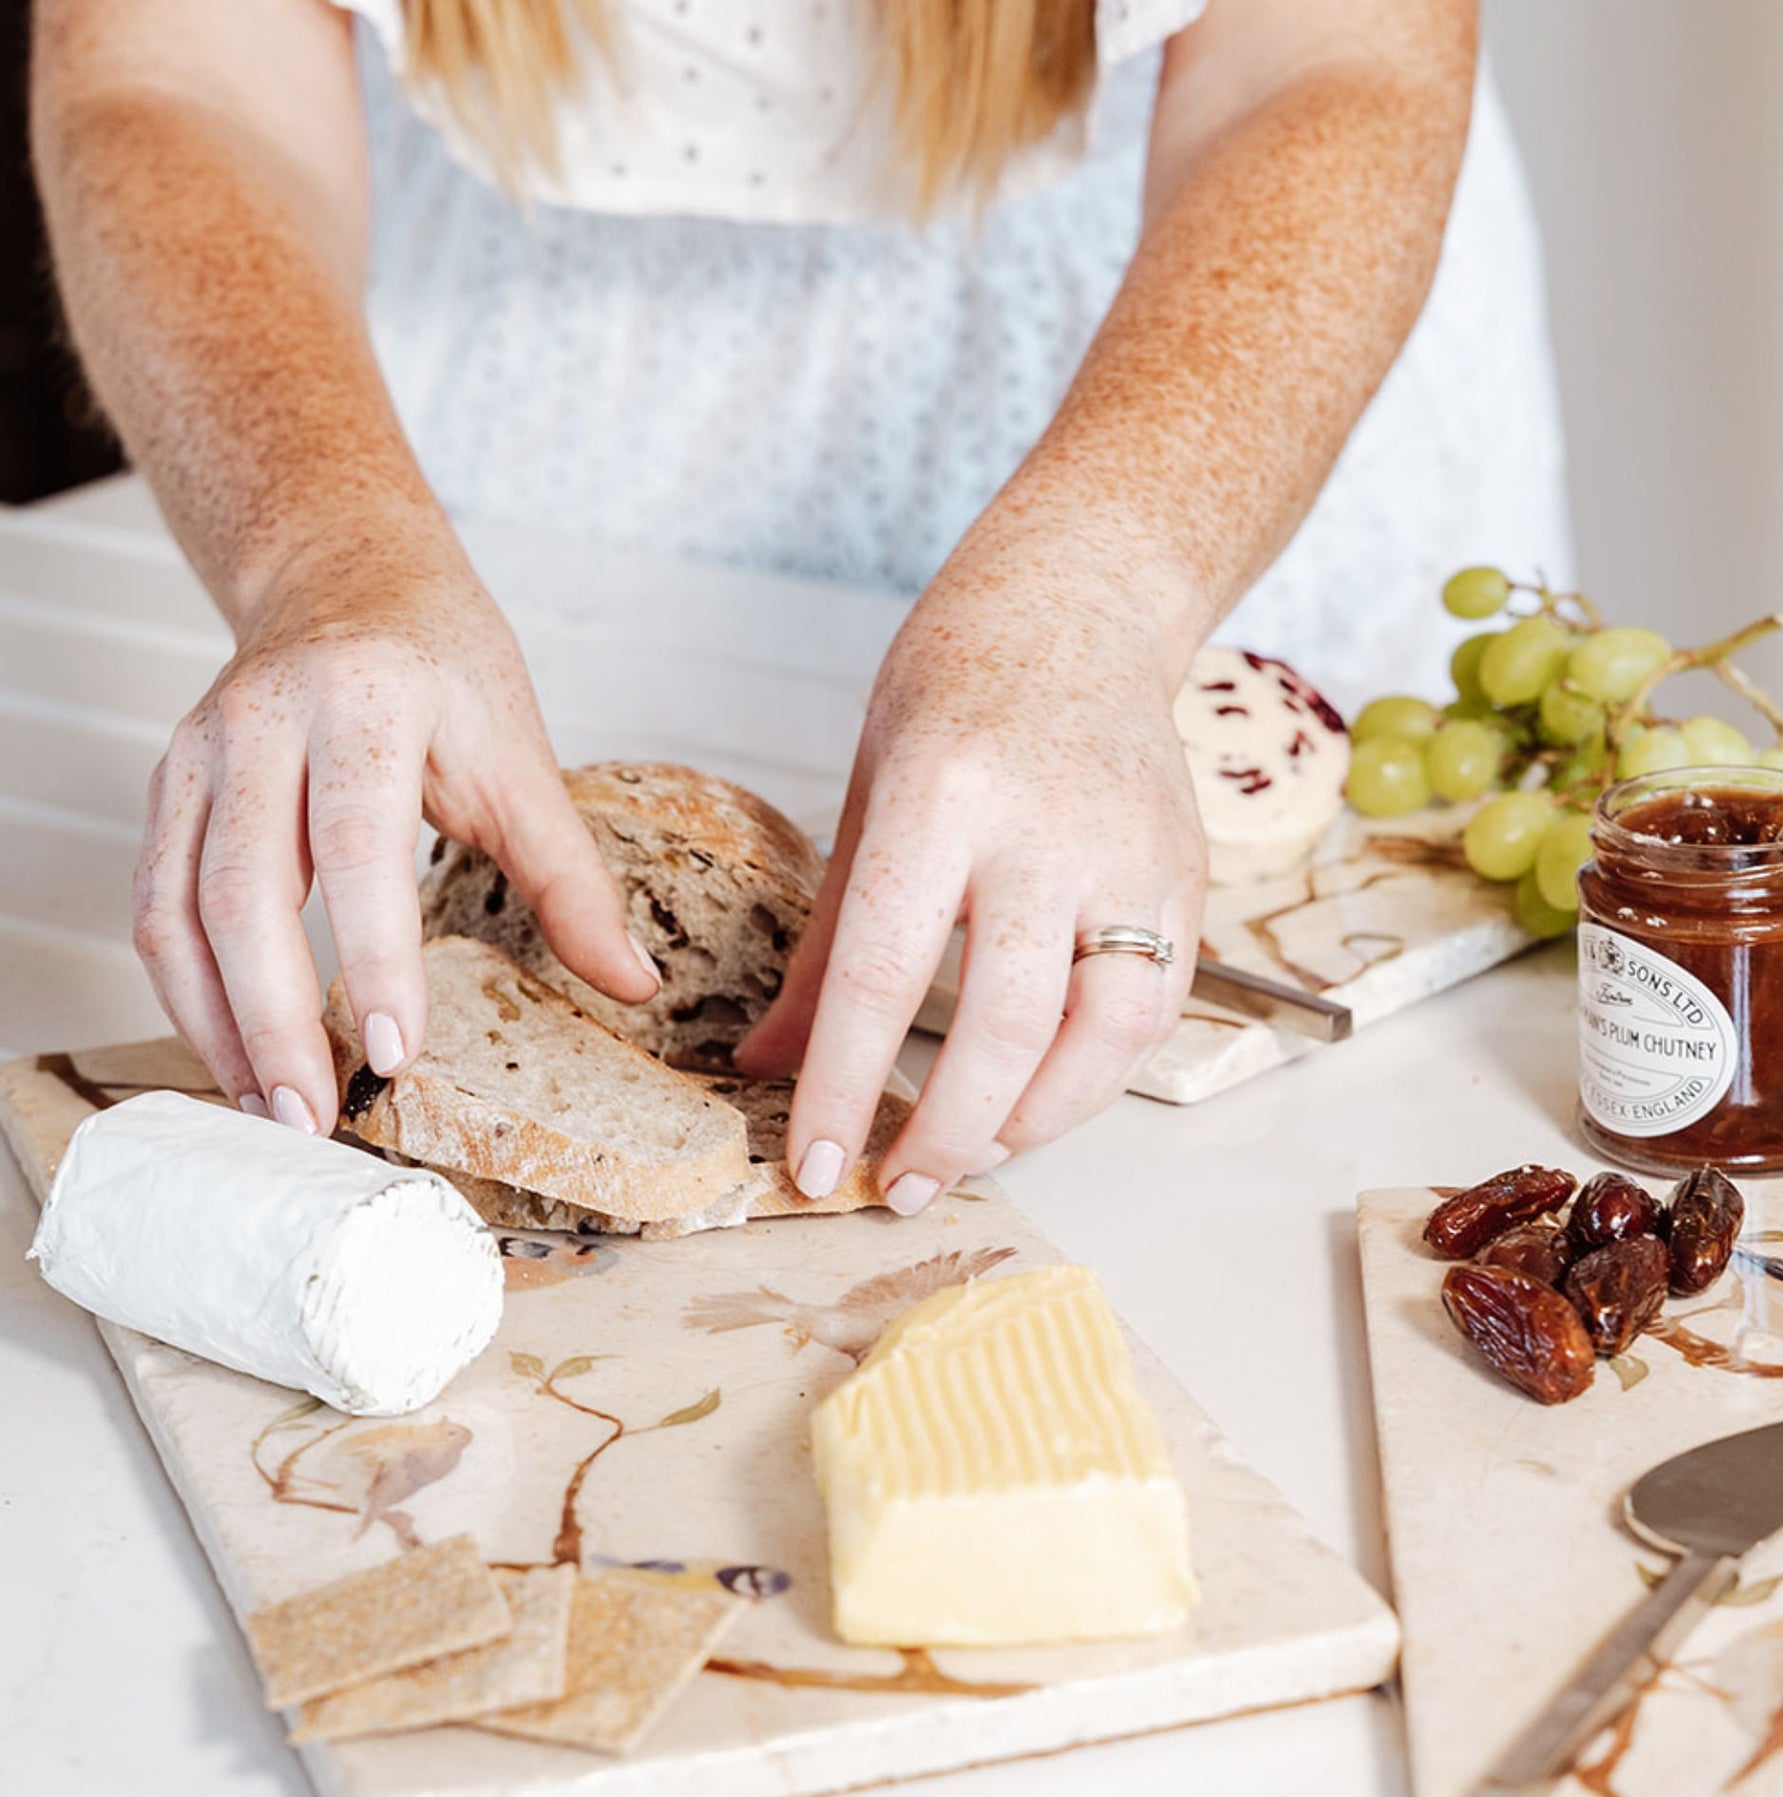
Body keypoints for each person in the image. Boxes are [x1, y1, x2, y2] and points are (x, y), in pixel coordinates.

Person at [31, 0, 1567, 1215]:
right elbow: (175, 69)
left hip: (1182, 350)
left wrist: (1095, 596)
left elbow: (1330, 54)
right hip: (472, 374)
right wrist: (323, 553)